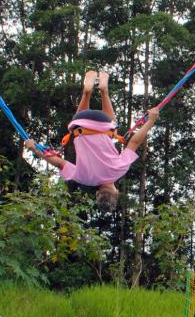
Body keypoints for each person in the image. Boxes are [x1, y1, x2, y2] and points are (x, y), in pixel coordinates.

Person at [24, 70, 160, 211]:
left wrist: (151, 121)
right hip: (80, 123)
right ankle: (86, 92)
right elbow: (59, 162)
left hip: (104, 123)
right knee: (81, 124)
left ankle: (104, 91)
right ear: (97, 194)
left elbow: (134, 142)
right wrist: (34, 148)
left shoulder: (120, 169)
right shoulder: (83, 178)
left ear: (117, 193)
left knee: (113, 129)